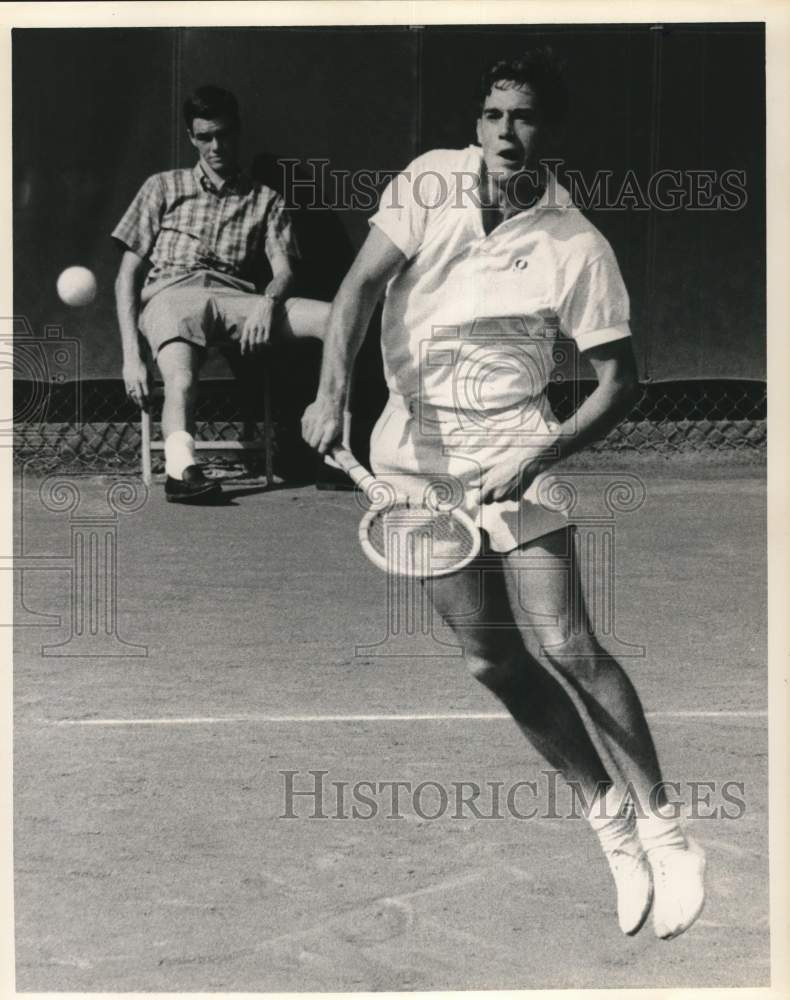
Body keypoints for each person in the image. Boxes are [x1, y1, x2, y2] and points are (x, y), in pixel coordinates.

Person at [302, 49, 706, 939]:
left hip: (515, 441)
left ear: (548, 132)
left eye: (522, 118)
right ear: (476, 123)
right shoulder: (428, 184)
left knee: (565, 641)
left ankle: (668, 829)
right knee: (492, 659)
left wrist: (535, 458)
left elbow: (618, 383)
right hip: (409, 452)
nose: (504, 134)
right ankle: (607, 821)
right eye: (492, 116)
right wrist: (333, 391)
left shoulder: (577, 245)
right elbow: (360, 287)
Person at [113, 85, 329, 502]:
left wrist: (269, 301)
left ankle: (333, 444)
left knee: (334, 316)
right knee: (181, 377)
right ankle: (181, 472)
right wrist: (130, 356)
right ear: (191, 138)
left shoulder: (267, 200)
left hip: (238, 299)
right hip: (171, 295)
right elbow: (127, 278)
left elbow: (284, 272)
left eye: (224, 135)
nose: (216, 146)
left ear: (238, 132)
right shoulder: (161, 187)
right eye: (205, 137)